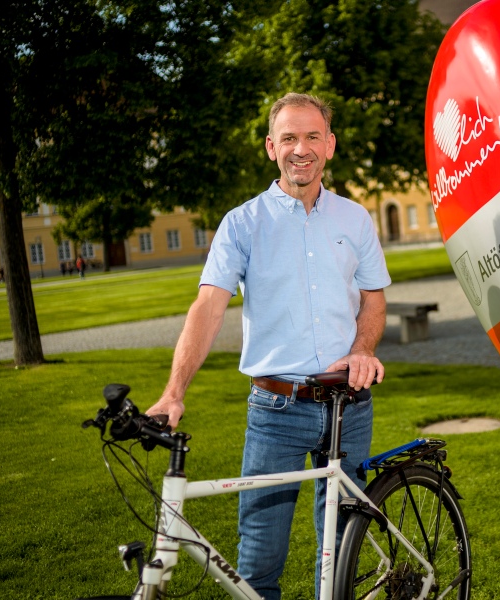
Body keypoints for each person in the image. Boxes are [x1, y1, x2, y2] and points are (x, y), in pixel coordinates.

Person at [146, 92, 390, 599]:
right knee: (256, 570)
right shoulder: (242, 223)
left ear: (330, 145)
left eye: (311, 137)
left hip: (350, 406)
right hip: (276, 410)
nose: (300, 148)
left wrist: (364, 348)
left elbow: (373, 299)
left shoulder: (355, 219)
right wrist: (174, 392)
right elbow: (208, 306)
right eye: (288, 138)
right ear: (270, 147)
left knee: (341, 561)